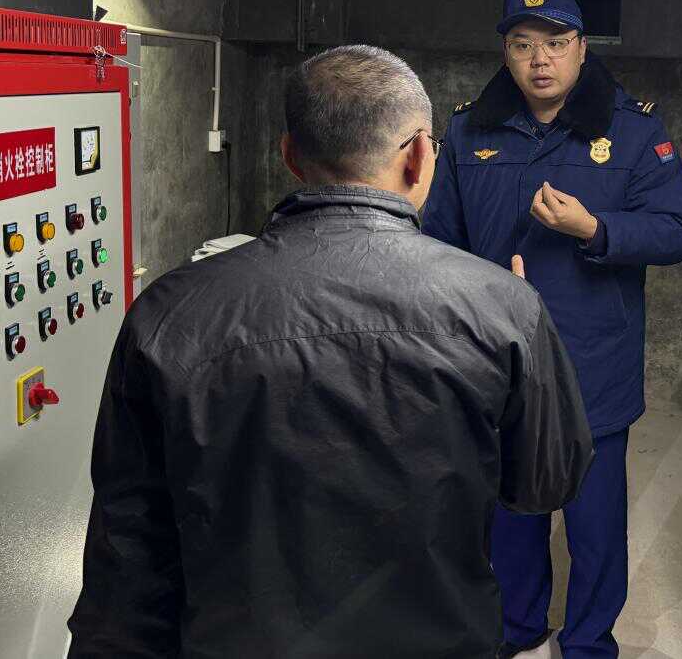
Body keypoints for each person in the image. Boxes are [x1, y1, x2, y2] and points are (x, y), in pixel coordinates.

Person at [68, 44, 594, 658]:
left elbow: (129, 543)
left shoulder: (168, 311)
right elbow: (544, 484)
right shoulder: (502, 306)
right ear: (420, 156)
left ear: (289, 155)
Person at [423, 0, 682, 659]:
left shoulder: (633, 129)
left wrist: (595, 228)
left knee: (594, 518)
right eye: (522, 45)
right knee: (511, 509)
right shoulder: (469, 130)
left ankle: (589, 641)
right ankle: (516, 627)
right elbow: (438, 240)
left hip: (592, 357)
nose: (539, 59)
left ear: (581, 48)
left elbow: (677, 231)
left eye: (555, 43)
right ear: (506, 53)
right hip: (498, 354)